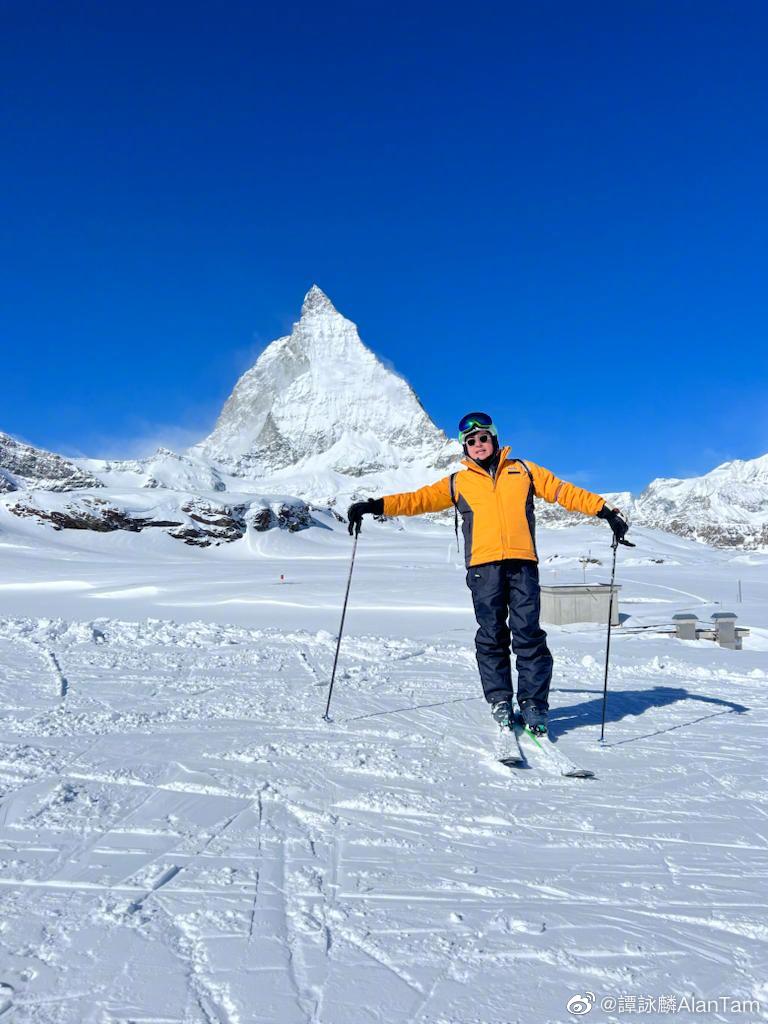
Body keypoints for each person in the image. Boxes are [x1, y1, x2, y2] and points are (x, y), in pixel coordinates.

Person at [347, 411, 631, 735]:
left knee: (529, 635)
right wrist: (374, 505)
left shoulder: (523, 471)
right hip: (484, 570)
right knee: (492, 635)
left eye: (483, 438)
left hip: (523, 564)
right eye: (471, 441)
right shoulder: (457, 482)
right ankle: (500, 699)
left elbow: (563, 491)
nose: (478, 444)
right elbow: (417, 500)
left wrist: (605, 511)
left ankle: (534, 704)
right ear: (464, 448)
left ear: (494, 439)